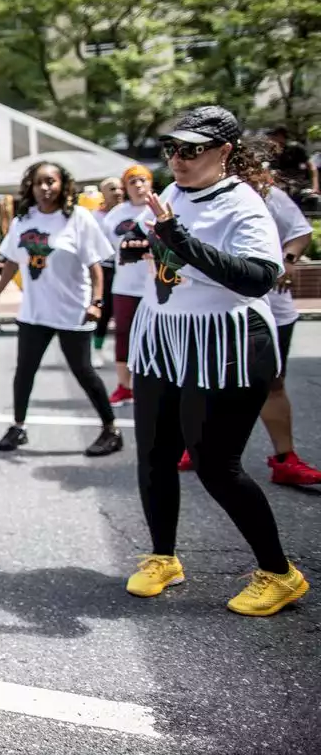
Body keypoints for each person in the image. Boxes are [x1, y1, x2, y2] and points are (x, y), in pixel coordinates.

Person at [124, 106, 308, 616]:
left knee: (216, 466)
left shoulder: (244, 204)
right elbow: (162, 257)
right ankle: (164, 557)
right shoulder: (174, 194)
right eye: (172, 149)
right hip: (165, 338)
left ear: (224, 152)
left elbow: (258, 277)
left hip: (226, 343)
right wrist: (145, 246)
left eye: (191, 150)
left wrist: (180, 242)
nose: (177, 159)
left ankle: (280, 573)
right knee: (156, 455)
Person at [0, 161, 122, 457]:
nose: (45, 188)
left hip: (73, 311)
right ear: (30, 188)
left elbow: (96, 266)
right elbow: (11, 260)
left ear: (63, 185)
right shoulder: (24, 220)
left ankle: (111, 429)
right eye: (38, 183)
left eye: (51, 182)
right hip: (35, 313)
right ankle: (18, 426)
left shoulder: (78, 219)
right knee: (25, 371)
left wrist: (96, 302)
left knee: (83, 371)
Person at [257, 183, 319, 484]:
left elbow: (300, 231)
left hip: (274, 307)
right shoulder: (191, 194)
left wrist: (289, 259)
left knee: (273, 382)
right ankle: (196, 448)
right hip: (221, 310)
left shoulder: (268, 194)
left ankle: (285, 459)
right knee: (208, 382)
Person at [99, 166, 154, 409]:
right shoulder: (116, 215)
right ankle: (124, 386)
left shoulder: (163, 206)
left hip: (159, 286)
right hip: (125, 285)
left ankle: (156, 386)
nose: (138, 185)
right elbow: (101, 247)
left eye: (143, 180)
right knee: (124, 336)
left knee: (156, 338)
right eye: (133, 181)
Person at [91, 176, 124, 367]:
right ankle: (97, 350)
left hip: (129, 268)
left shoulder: (131, 212)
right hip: (105, 268)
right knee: (104, 311)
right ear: (103, 193)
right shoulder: (95, 217)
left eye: (120, 188)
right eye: (112, 189)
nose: (118, 192)